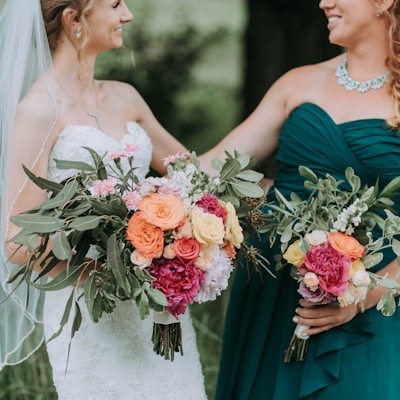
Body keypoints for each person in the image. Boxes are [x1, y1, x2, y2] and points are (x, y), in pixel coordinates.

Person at [0, 1, 207, 399]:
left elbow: (194, 179)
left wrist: (269, 188)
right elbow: (15, 241)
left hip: (160, 309)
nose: (127, 14)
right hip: (90, 314)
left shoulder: (125, 97)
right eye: (114, 4)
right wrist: (114, 259)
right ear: (73, 18)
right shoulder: (38, 110)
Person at [199, 0, 400, 398]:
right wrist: (133, 187)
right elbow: (213, 169)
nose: (324, 1)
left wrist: (361, 298)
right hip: (273, 296)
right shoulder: (297, 83)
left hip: (372, 303)